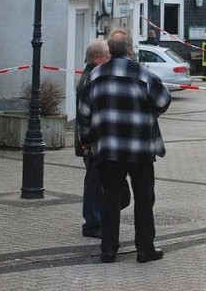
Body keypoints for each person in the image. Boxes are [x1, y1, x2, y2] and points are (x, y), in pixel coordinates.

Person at [78, 27, 172, 264]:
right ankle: (145, 249)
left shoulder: (94, 76)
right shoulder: (144, 74)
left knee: (109, 198)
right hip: (139, 149)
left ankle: (108, 250)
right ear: (130, 49)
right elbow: (163, 102)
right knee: (143, 198)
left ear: (110, 50)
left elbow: (84, 114)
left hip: (107, 149)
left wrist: (87, 141)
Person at [75, 39, 110, 238]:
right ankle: (92, 223)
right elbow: (86, 115)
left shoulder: (93, 75)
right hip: (90, 141)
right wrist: (87, 142)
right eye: (107, 56)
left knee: (97, 181)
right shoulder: (89, 80)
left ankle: (97, 219)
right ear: (97, 59)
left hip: (91, 140)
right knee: (94, 182)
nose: (110, 58)